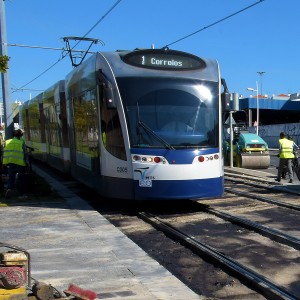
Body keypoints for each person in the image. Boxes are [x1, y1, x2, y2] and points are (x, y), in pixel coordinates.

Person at [2, 129, 29, 198]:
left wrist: (3, 163)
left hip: (10, 162)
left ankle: (9, 191)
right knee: (21, 178)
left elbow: (3, 153)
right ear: (20, 135)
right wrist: (27, 163)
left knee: (11, 177)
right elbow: (25, 154)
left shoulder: (7, 142)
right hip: (20, 163)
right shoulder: (21, 142)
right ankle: (21, 194)